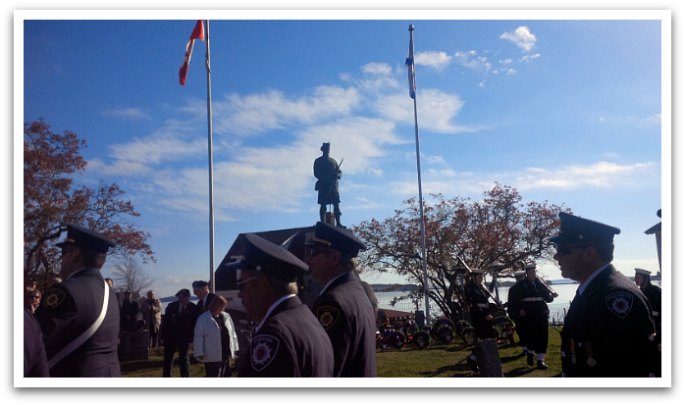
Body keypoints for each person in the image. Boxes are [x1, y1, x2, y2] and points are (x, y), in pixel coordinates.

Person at [551, 212, 656, 377]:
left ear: (589, 254)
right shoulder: (595, 290)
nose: (556, 256)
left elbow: (627, 369)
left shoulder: (616, 297)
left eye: (563, 250)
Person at [236, 233, 334, 377]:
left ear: (263, 284)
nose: (239, 294)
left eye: (242, 285)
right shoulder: (308, 319)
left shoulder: (273, 336)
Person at [35, 224, 121, 377]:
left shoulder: (64, 292)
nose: (61, 260)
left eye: (64, 253)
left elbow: (33, 344)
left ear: (74, 254)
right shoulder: (110, 293)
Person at [305, 221, 377, 377]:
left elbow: (325, 369)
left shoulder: (332, 303)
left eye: (315, 252)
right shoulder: (359, 291)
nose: (310, 260)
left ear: (333, 258)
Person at [516, 262, 557, 370]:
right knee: (530, 335)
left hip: (541, 311)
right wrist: (520, 309)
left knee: (542, 335)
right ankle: (530, 352)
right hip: (528, 312)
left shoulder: (541, 284)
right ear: (527, 273)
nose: (533, 273)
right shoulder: (521, 284)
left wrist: (552, 296)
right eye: (530, 272)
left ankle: (540, 360)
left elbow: (547, 299)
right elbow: (516, 299)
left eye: (534, 271)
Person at [465, 269, 503, 377]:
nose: (481, 279)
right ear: (473, 277)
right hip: (478, 316)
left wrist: (494, 281)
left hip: (486, 315)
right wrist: (484, 315)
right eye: (479, 277)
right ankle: (474, 358)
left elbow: (487, 295)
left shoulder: (480, 288)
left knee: (490, 336)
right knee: (484, 337)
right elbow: (475, 304)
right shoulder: (470, 288)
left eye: (482, 277)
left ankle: (475, 358)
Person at [193, 295, 239, 377]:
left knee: (226, 375)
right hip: (211, 355)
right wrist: (199, 352)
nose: (223, 309)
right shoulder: (203, 319)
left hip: (225, 353)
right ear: (216, 306)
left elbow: (232, 333)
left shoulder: (226, 317)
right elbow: (198, 337)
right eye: (222, 306)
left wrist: (235, 348)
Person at [160, 288, 200, 377]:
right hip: (170, 337)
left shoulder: (193, 308)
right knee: (168, 359)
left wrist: (192, 340)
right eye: (181, 299)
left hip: (185, 338)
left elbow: (194, 325)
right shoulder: (171, 306)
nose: (183, 301)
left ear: (189, 298)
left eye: (186, 299)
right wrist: (162, 337)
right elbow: (165, 323)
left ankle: (185, 377)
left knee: (184, 359)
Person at [635, 268, 662, 377]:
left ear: (645, 278)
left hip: (655, 332)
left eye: (638, 277)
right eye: (635, 276)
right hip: (642, 333)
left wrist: (658, 334)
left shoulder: (656, 292)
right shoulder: (638, 292)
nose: (636, 279)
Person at [313, 142, 343, 226]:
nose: (328, 150)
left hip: (333, 185)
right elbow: (316, 173)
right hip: (324, 185)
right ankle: (323, 222)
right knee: (323, 204)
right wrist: (325, 177)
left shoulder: (333, 161)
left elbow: (339, 172)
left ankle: (339, 223)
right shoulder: (318, 161)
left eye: (328, 149)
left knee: (336, 204)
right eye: (326, 149)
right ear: (323, 150)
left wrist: (337, 175)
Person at [506, 270, 527, 355]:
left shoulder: (528, 288)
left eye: (520, 277)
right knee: (521, 331)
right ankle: (525, 349)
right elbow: (510, 302)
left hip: (528, 313)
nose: (519, 279)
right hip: (517, 314)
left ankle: (530, 348)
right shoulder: (512, 289)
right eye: (517, 278)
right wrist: (511, 313)